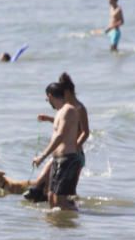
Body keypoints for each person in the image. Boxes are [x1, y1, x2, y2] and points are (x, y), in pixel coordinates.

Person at [28, 72, 89, 202]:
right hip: (61, 153)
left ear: (67, 90)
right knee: (48, 188)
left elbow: (85, 132)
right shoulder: (63, 109)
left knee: (65, 194)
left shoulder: (78, 108)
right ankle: (53, 211)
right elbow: (64, 126)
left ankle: (72, 214)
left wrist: (75, 146)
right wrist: (49, 119)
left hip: (74, 154)